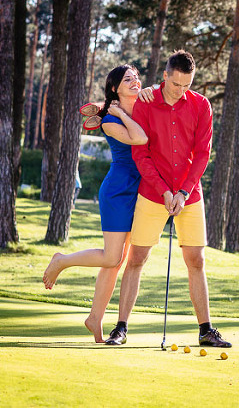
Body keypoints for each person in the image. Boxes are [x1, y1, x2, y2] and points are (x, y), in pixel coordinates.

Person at [104, 50, 231, 348]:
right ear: (164, 76)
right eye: (176, 85)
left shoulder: (201, 105)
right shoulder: (146, 104)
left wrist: (183, 192)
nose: (180, 91)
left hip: (190, 193)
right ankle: (120, 328)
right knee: (136, 258)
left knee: (196, 260)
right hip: (152, 192)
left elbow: (202, 154)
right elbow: (141, 153)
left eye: (186, 85)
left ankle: (206, 330)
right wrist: (163, 190)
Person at [42, 65, 148, 343]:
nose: (135, 81)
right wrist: (118, 112)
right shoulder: (109, 122)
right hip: (118, 191)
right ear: (115, 88)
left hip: (141, 190)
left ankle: (95, 318)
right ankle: (62, 261)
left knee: (117, 261)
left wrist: (116, 108)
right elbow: (139, 138)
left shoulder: (142, 108)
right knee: (112, 257)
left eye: (136, 77)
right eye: (128, 79)